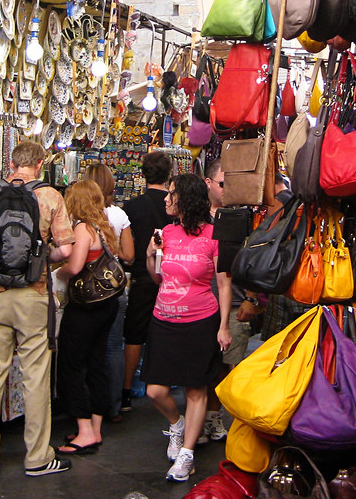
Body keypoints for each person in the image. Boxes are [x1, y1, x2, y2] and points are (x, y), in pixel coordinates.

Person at [0, 141, 75, 478]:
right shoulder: (51, 196)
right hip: (33, 294)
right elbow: (66, 250)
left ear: (11, 163)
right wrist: (39, 261)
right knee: (35, 377)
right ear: (39, 164)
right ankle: (37, 458)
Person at [142, 172, 231, 482]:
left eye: (172, 194)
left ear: (187, 200)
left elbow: (223, 283)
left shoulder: (213, 234)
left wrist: (223, 326)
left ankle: (187, 454)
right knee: (155, 390)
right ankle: (177, 426)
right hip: (164, 320)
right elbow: (158, 278)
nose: (166, 198)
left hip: (200, 321)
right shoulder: (166, 231)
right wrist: (151, 254)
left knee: (196, 390)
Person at [54, 180, 122, 455]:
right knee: (97, 363)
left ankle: (83, 431)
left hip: (85, 307)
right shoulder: (104, 227)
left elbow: (76, 265)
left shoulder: (82, 228)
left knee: (71, 365)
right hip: (107, 305)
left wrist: (59, 272)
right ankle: (94, 427)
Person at [120, 151, 173, 413]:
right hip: (172, 278)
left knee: (134, 335)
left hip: (142, 276)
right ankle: (166, 384)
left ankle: (126, 391)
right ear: (169, 174)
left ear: (143, 174)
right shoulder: (174, 207)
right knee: (169, 331)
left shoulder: (131, 207)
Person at [82, 164, 133, 422]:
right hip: (114, 287)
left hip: (85, 290)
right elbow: (129, 255)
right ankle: (112, 407)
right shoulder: (118, 215)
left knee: (86, 348)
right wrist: (111, 254)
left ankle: (87, 407)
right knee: (113, 347)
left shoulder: (79, 217)